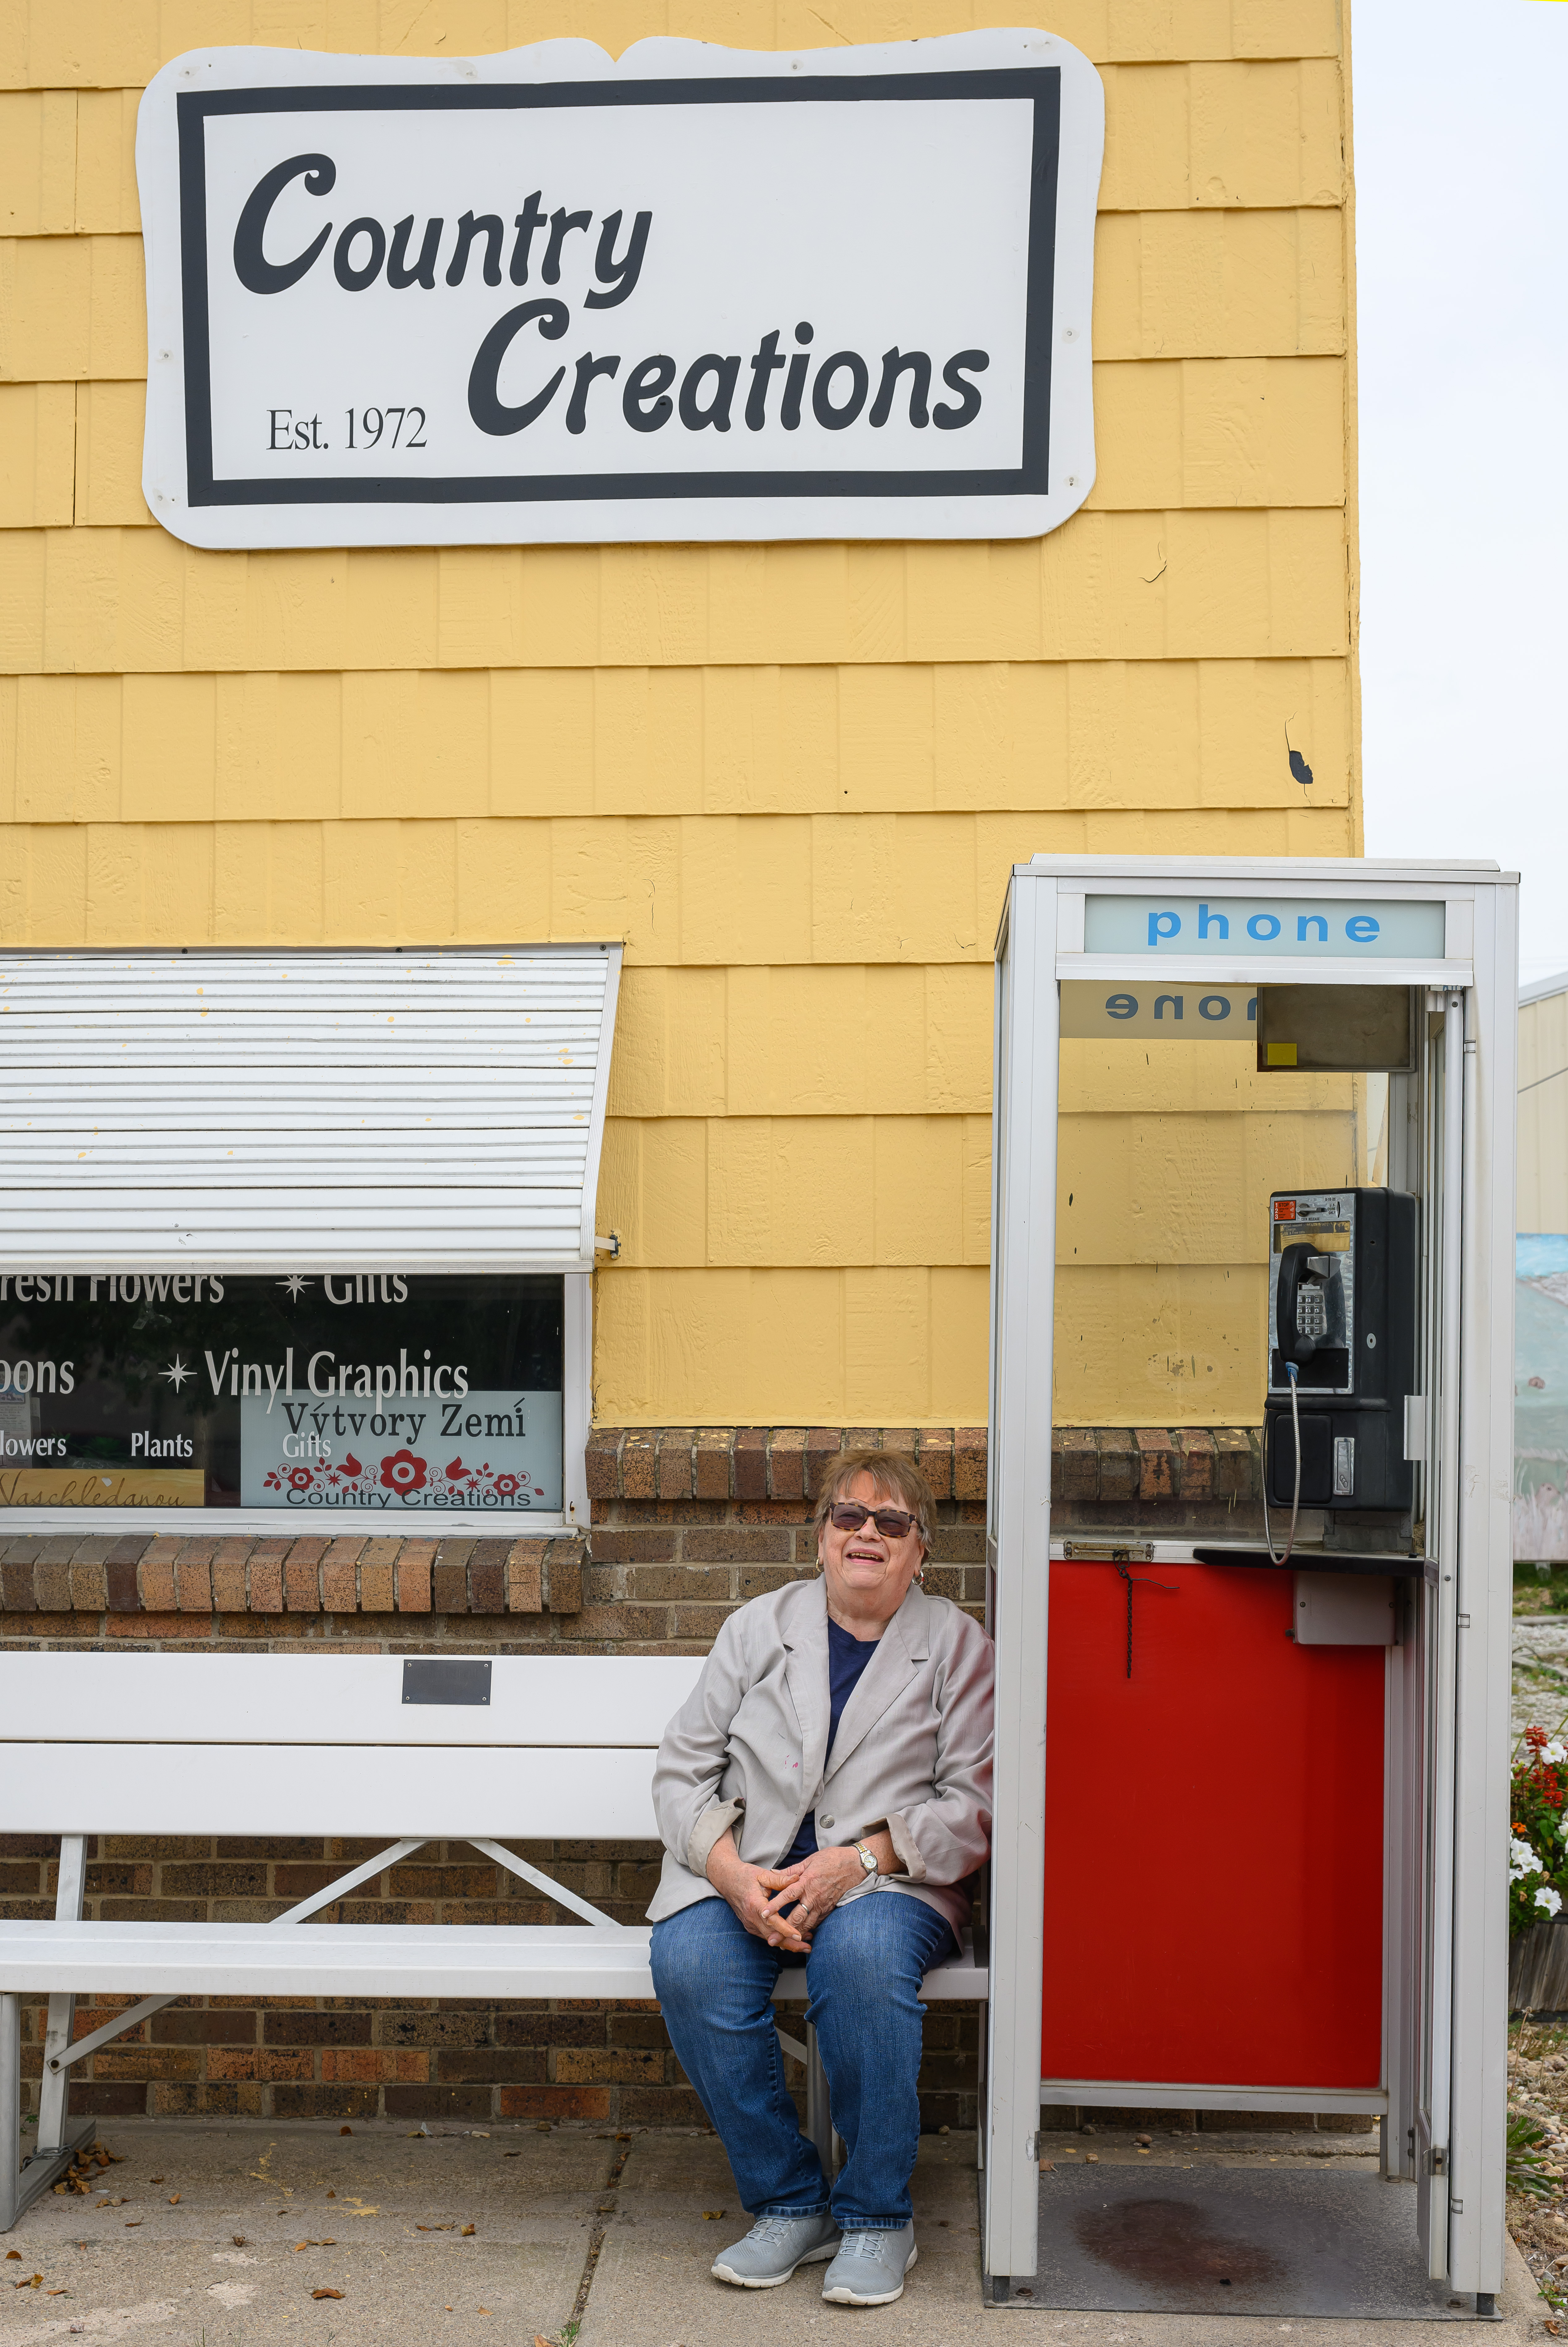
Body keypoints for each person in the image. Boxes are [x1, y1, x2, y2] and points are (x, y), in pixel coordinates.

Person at [647, 1447, 994, 2307]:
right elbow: (681, 1772)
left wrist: (863, 1858)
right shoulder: (758, 1627)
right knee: (689, 1962)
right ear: (820, 1538)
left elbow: (977, 1802)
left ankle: (877, 2217)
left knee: (863, 1961)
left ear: (921, 1550)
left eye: (891, 1523)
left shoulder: (956, 1644)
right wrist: (728, 1873)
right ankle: (789, 2202)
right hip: (750, 1872)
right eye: (849, 1516)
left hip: (889, 1880)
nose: (866, 1534)